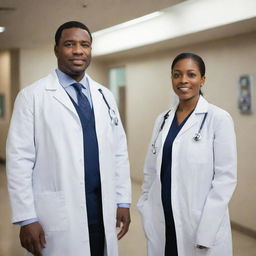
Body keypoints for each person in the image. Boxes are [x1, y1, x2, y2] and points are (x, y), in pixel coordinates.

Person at [6, 21, 131, 256]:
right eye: (69, 44)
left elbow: (118, 152)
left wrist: (123, 200)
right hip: (57, 211)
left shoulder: (105, 95)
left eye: (85, 45)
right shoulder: (32, 96)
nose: (78, 50)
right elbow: (18, 160)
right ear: (56, 49)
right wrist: (25, 217)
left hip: (101, 207)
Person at [137, 52, 237, 256]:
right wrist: (145, 206)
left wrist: (207, 230)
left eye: (191, 74)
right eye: (177, 74)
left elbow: (225, 179)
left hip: (198, 223)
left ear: (202, 79)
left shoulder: (218, 119)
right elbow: (150, 170)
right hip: (163, 220)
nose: (183, 80)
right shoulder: (162, 119)